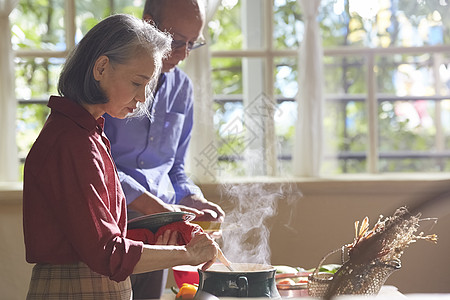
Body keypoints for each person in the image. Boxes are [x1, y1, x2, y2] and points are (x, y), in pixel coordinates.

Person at [22, 14, 219, 300]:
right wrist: (187, 254)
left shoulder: (89, 135)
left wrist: (162, 240)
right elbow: (107, 254)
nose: (142, 99)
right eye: (137, 83)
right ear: (101, 67)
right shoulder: (72, 142)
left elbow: (98, 240)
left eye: (147, 86)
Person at [103, 1, 226, 298]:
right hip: (110, 229)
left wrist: (192, 198)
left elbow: (174, 169)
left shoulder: (182, 88)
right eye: (177, 41)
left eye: (192, 44)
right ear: (148, 24)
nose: (184, 54)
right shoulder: (113, 80)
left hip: (162, 232)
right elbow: (97, 165)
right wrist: (151, 206)